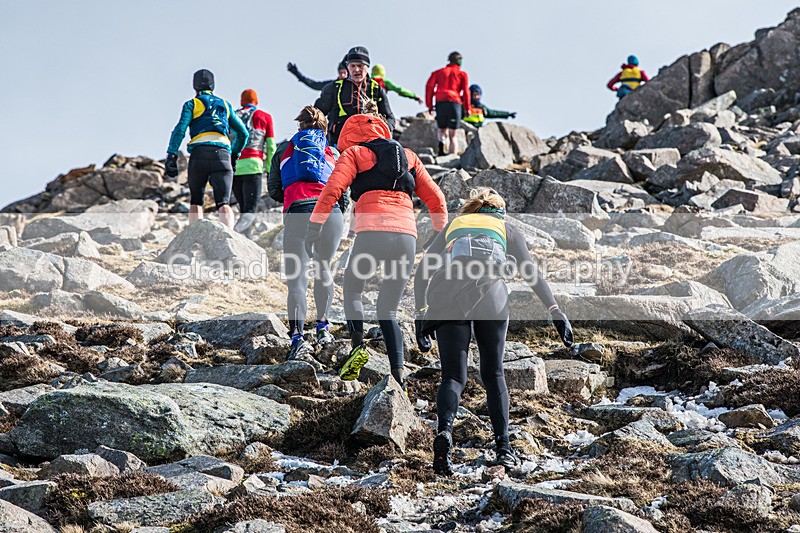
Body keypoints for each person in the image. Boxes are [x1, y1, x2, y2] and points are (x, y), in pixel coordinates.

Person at [413, 187, 574, 475]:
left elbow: (423, 269)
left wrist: (421, 313)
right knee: (493, 374)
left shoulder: (454, 225)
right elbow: (530, 273)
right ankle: (504, 449)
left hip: (449, 295)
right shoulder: (505, 228)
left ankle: (445, 433)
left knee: (453, 377)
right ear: (499, 211)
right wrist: (555, 311)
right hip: (492, 296)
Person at [305, 102, 447, 386]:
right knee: (388, 310)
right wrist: (439, 237)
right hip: (406, 238)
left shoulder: (354, 153)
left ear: (349, 134)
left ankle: (358, 348)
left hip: (372, 234)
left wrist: (314, 226)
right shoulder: (408, 156)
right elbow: (437, 199)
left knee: (352, 290)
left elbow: (333, 190)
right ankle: (399, 376)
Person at [266, 106, 344, 359]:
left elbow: (274, 190)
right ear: (324, 129)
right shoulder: (332, 152)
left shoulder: (283, 149)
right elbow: (344, 191)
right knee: (324, 269)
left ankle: (297, 337)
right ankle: (323, 329)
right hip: (330, 213)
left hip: (298, 212)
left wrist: (293, 196)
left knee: (297, 278)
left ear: (299, 125)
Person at [166, 69, 248, 228]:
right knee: (224, 203)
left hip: (199, 155)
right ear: (213, 85)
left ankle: (194, 238)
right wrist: (234, 154)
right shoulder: (225, 105)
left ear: (194, 85)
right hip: (223, 155)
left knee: (196, 201)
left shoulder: (192, 104)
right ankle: (229, 237)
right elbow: (243, 133)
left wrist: (172, 154)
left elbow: (180, 130)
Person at [314, 46, 396, 147]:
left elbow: (390, 117)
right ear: (347, 67)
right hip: (339, 145)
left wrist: (384, 132)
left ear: (367, 67)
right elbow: (316, 114)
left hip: (370, 145)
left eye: (360, 66)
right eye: (352, 66)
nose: (356, 70)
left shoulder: (376, 89)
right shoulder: (334, 88)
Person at [231, 89, 276, 235]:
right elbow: (271, 146)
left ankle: (246, 241)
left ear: (241, 102)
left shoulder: (233, 116)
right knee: (250, 210)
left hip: (235, 167)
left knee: (243, 209)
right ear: (256, 101)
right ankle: (233, 232)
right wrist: (270, 170)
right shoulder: (265, 117)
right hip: (253, 166)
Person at [425, 51, 471, 156]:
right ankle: (452, 158)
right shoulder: (462, 74)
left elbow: (429, 88)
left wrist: (430, 105)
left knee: (441, 129)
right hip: (454, 103)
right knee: (453, 134)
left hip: (440, 102)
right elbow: (466, 92)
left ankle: (441, 147)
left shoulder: (438, 72)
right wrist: (467, 108)